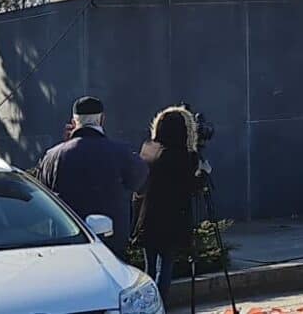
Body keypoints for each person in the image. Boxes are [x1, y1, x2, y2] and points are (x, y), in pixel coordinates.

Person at [37, 96, 148, 255]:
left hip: (67, 241)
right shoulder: (122, 153)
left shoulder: (52, 156)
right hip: (112, 241)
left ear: (73, 122)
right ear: (102, 119)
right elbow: (141, 183)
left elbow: (43, 194)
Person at [132, 106, 202, 291]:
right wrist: (202, 173)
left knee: (150, 269)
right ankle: (160, 305)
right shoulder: (184, 156)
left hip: (147, 218)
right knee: (165, 267)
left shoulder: (148, 149)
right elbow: (190, 188)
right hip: (170, 220)